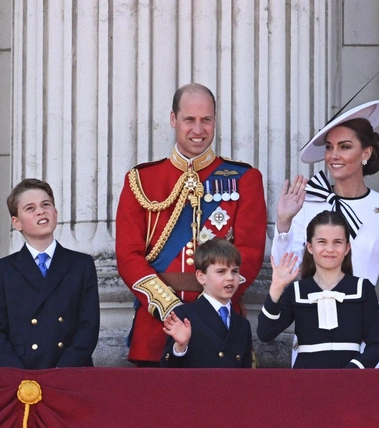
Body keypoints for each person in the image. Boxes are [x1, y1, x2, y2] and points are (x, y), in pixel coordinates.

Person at [116, 83, 266, 367]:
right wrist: (170, 309)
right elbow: (127, 256)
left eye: (206, 120)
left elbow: (250, 253)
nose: (199, 129)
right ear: (173, 119)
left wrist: (205, 313)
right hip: (156, 330)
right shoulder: (141, 180)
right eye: (189, 120)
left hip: (220, 331)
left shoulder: (244, 178)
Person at [272, 99, 379, 367]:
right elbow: (284, 269)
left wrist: (370, 327)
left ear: (366, 153)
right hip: (311, 341)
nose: (334, 155)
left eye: (345, 147)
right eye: (330, 147)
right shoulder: (308, 203)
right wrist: (284, 222)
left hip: (364, 346)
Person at [258, 211, 379, 369]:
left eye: (337, 242)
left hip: (350, 383)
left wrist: (352, 371)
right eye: (322, 242)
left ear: (347, 248)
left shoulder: (363, 289)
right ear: (310, 247)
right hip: (306, 383)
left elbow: (377, 345)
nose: (330, 249)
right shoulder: (296, 291)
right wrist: (276, 288)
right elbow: (265, 333)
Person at [0, 178, 100, 368]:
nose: (40, 211)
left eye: (46, 204)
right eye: (30, 208)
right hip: (20, 374)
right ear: (17, 222)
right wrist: (20, 375)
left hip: (69, 372)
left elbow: (88, 326)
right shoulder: (4, 270)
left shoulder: (81, 264)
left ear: (55, 212)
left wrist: (61, 372)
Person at [161, 238, 253, 368]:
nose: (230, 278)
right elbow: (168, 370)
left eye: (235, 271)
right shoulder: (185, 315)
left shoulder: (242, 324)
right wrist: (180, 346)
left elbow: (246, 374)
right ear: (201, 277)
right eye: (221, 272)